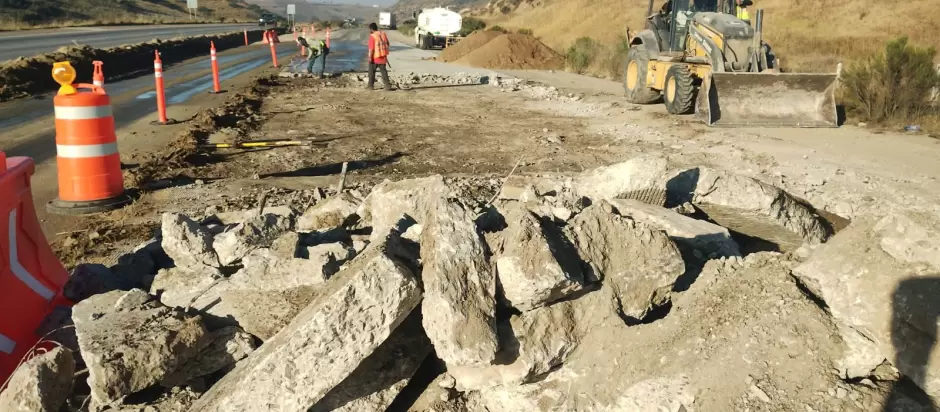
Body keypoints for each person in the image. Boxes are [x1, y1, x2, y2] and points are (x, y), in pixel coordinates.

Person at [367, 22, 392, 91]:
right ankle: (387, 86)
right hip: (383, 56)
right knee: (384, 72)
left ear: (371, 29)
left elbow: (371, 49)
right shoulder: (383, 34)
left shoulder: (372, 36)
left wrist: (369, 57)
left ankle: (370, 86)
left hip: (375, 57)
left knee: (371, 72)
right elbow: (387, 44)